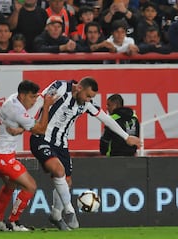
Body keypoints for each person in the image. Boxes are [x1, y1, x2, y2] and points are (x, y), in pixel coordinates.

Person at [28, 77, 140, 230]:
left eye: (91, 98)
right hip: (41, 138)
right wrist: (27, 122)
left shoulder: (86, 104)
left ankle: (55, 215)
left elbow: (106, 119)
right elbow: (41, 100)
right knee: (58, 171)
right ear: (79, 88)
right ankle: (70, 211)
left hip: (61, 144)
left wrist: (126, 137)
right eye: (88, 96)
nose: (89, 100)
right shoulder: (60, 87)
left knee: (66, 182)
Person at [0, 80, 56, 232]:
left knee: (11, 184)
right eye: (32, 97)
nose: (34, 101)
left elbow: (25, 118)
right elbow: (41, 129)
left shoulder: (13, 99)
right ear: (23, 95)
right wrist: (46, 106)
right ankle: (13, 222)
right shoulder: (15, 110)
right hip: (2, 156)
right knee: (30, 186)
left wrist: (21, 129)